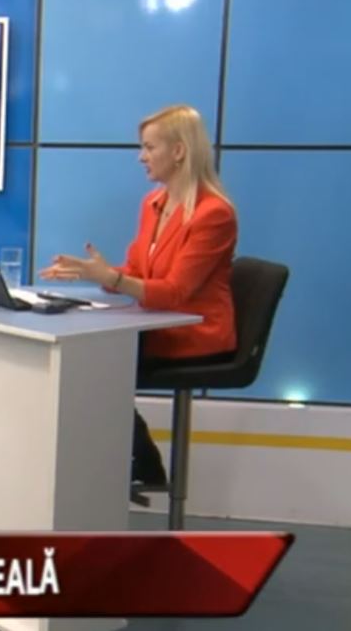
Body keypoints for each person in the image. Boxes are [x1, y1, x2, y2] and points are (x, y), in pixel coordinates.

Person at [39, 104, 237, 485]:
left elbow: (175, 292)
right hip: (154, 325)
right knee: (80, 356)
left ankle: (137, 463)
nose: (141, 157)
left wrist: (113, 278)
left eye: (149, 147)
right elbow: (135, 273)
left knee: (89, 363)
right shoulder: (153, 204)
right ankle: (131, 462)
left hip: (194, 334)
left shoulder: (214, 214)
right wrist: (92, 272)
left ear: (178, 151)